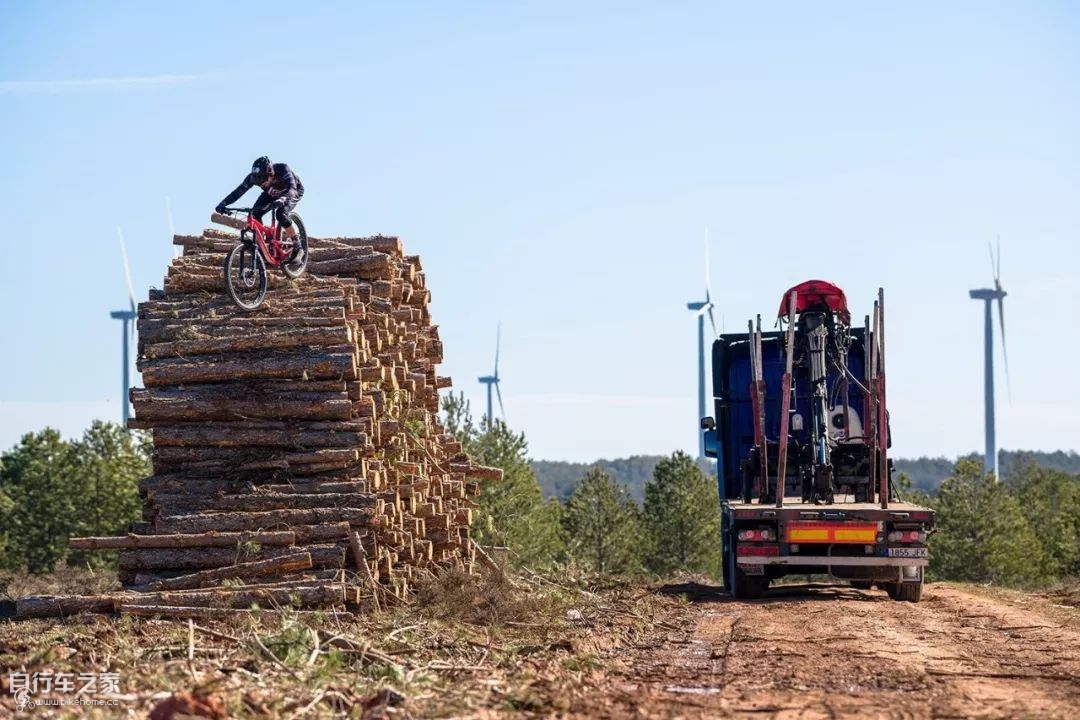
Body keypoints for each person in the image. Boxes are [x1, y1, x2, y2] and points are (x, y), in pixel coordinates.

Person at [216, 156, 305, 245]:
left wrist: (283, 199)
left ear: (271, 174)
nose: (263, 184)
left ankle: (297, 243)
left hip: (292, 191)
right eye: (259, 183)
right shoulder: (252, 178)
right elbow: (237, 192)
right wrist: (223, 203)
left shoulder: (283, 169)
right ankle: (261, 245)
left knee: (280, 214)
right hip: (271, 193)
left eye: (265, 180)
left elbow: (292, 189)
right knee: (255, 213)